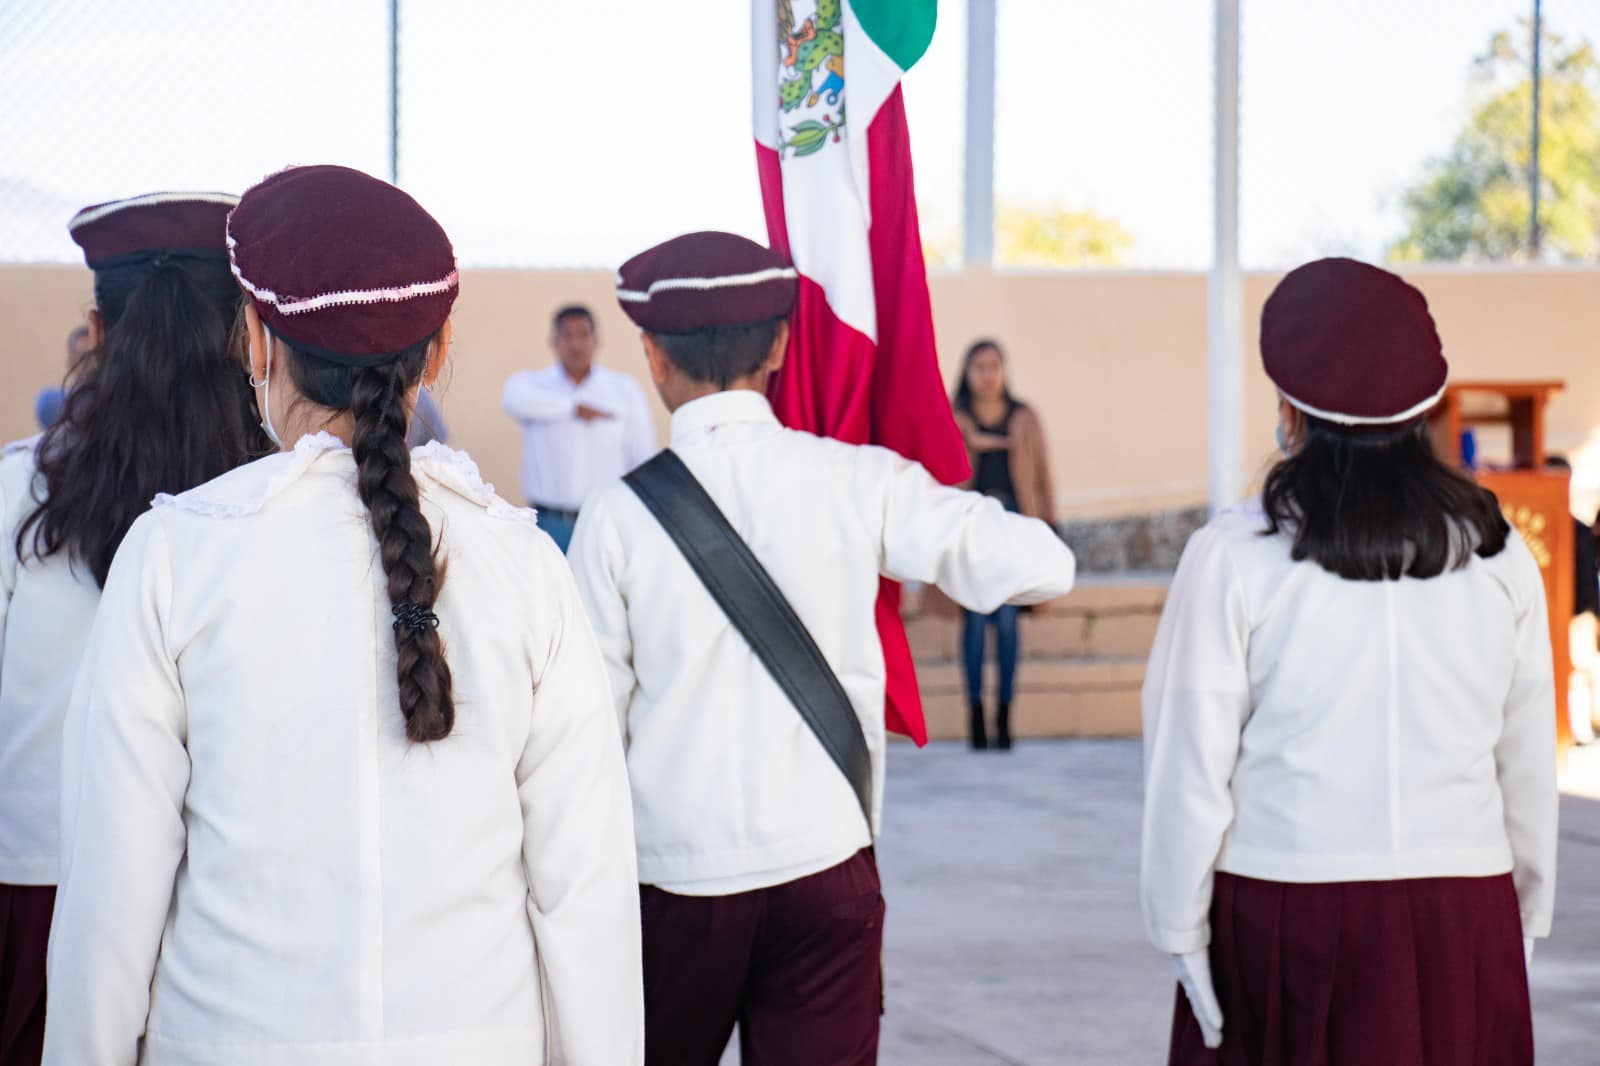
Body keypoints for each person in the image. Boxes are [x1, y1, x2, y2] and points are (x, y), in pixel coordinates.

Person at [42, 166, 642, 1066]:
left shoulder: (174, 555)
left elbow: (111, 895)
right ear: (436, 356)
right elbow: (583, 891)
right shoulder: (526, 564)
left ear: (255, 341)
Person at [568, 231, 1077, 1066]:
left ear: (652, 357)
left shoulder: (616, 516)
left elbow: (591, 731)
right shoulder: (859, 479)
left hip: (677, 881)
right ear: (778, 347)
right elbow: (1043, 565)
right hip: (826, 866)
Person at [1141, 258, 1558, 1066]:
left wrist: (1179, 924)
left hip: (1286, 910)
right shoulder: (1498, 555)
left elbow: (1188, 763)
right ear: (1425, 409)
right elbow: (1528, 759)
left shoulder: (1234, 554)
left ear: (1290, 411)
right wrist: (1527, 913)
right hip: (1462, 908)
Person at [0, 190, 268, 1066]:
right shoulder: (288, 502)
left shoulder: (15, 493)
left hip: (41, 879)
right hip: (233, 896)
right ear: (244, 333)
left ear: (97, 327)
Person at [950, 339, 1058, 749]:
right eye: (979, 367)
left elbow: (1043, 477)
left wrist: (1050, 528)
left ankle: (1004, 718)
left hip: (1014, 532)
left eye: (995, 366)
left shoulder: (1023, 418)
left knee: (1009, 623)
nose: (988, 375)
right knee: (976, 622)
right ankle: (975, 718)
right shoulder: (955, 417)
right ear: (967, 372)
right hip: (971, 537)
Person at [501, 303, 655, 551]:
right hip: (549, 523)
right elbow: (511, 400)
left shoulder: (624, 390)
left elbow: (642, 458)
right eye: (567, 335)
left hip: (605, 522)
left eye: (583, 335)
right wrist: (573, 409)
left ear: (597, 341)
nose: (576, 344)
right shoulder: (532, 386)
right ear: (553, 341)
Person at [32, 325, 93, 430]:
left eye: (97, 356)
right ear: (70, 364)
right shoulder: (53, 402)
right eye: (84, 357)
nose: (92, 364)